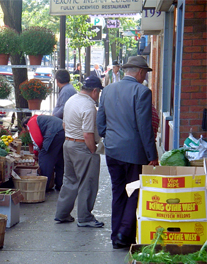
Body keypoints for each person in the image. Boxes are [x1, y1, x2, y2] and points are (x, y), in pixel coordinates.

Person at [96, 56, 158, 249]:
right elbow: (145, 128)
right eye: (145, 73)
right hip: (133, 153)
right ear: (140, 72)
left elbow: (100, 121)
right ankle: (124, 234)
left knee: (118, 192)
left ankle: (116, 236)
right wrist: (152, 156)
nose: (145, 76)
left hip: (113, 151)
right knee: (133, 192)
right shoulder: (142, 91)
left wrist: (110, 137)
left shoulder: (107, 90)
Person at [54, 76, 105, 227]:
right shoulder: (88, 106)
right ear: (94, 91)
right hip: (82, 146)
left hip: (68, 143)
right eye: (99, 92)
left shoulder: (71, 100)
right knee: (87, 182)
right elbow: (87, 134)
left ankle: (62, 214)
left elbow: (64, 124)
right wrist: (93, 150)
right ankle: (85, 217)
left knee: (69, 180)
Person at [22, 115, 65, 192]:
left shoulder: (31, 122)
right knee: (59, 159)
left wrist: (36, 154)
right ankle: (60, 184)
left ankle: (43, 187)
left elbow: (38, 141)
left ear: (25, 125)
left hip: (54, 133)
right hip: (63, 131)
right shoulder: (40, 118)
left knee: (44, 157)